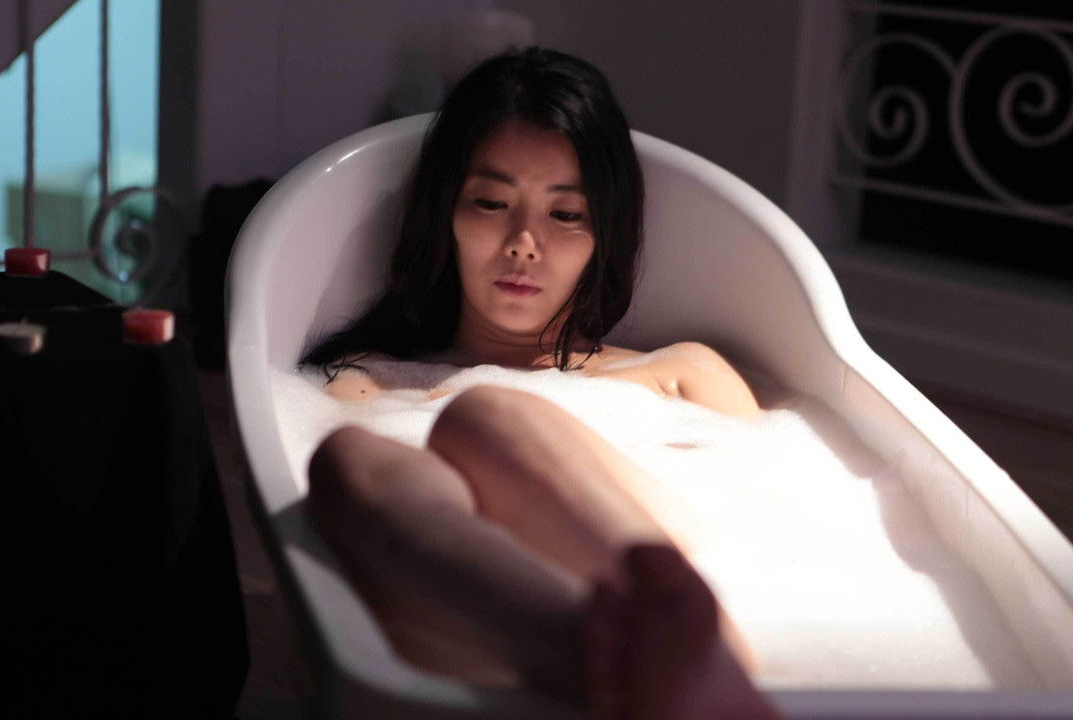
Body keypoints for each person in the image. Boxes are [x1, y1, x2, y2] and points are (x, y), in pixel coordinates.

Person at [302, 47, 781, 720]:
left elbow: (766, 519)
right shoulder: (366, 384)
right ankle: (605, 659)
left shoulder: (681, 373)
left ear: (604, 234)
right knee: (345, 455)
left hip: (695, 594)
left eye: (565, 214)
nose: (524, 242)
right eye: (491, 202)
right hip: (474, 638)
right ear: (445, 214)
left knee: (488, 416)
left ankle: (701, 652)